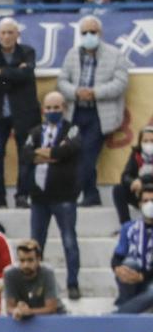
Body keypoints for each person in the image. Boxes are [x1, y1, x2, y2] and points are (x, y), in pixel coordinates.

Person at [58, 16, 127, 212]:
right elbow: (62, 81)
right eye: (85, 32)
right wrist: (75, 91)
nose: (89, 36)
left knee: (88, 153)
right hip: (76, 111)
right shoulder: (72, 54)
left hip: (100, 113)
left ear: (100, 33)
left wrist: (95, 92)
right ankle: (90, 194)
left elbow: (120, 83)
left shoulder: (115, 55)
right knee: (77, 154)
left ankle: (80, 194)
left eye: (93, 32)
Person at [23, 90, 85, 299]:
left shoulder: (72, 129)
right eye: (48, 108)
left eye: (56, 107)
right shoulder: (35, 132)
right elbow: (27, 155)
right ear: (43, 110)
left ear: (64, 108)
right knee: (35, 245)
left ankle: (73, 284)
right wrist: (52, 154)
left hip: (64, 197)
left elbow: (67, 151)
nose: (52, 111)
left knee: (69, 241)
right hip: (39, 198)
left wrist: (45, 153)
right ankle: (35, 287)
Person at [1, 238, 62, 318]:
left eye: (30, 260)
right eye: (22, 261)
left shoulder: (47, 273)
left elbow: (51, 308)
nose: (26, 265)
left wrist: (29, 312)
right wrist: (17, 310)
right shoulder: (10, 274)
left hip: (53, 318)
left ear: (38, 259)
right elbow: (9, 308)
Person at [112, 198, 153, 313]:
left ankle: (119, 314)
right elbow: (117, 258)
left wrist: (142, 276)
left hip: (150, 279)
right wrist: (118, 269)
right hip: (131, 278)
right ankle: (129, 303)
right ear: (139, 204)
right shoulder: (128, 227)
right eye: (146, 201)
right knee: (129, 263)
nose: (150, 204)